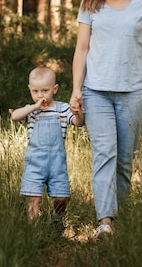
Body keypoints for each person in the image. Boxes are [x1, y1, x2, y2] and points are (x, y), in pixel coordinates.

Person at [69, 0, 142, 238]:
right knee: (104, 155)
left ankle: (119, 216)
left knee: (124, 160)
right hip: (96, 92)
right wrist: (76, 89)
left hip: (132, 92)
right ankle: (105, 222)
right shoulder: (91, 3)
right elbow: (82, 48)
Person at [11, 66, 84, 224]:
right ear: (29, 89)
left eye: (45, 90)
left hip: (57, 163)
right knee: (33, 196)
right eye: (35, 91)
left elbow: (79, 123)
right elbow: (14, 116)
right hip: (34, 162)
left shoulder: (62, 109)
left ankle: (57, 219)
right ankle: (34, 228)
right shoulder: (30, 111)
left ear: (55, 89)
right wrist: (35, 107)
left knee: (62, 197)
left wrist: (79, 113)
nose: (40, 95)